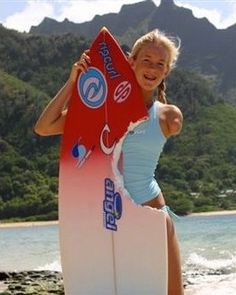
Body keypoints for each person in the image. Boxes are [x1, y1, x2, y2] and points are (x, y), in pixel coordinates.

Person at [34, 29, 184, 295]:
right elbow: (44, 127)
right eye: (146, 60)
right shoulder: (99, 111)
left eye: (160, 64)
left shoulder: (169, 117)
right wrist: (73, 81)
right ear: (131, 62)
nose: (152, 68)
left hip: (151, 214)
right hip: (105, 217)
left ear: (166, 71)